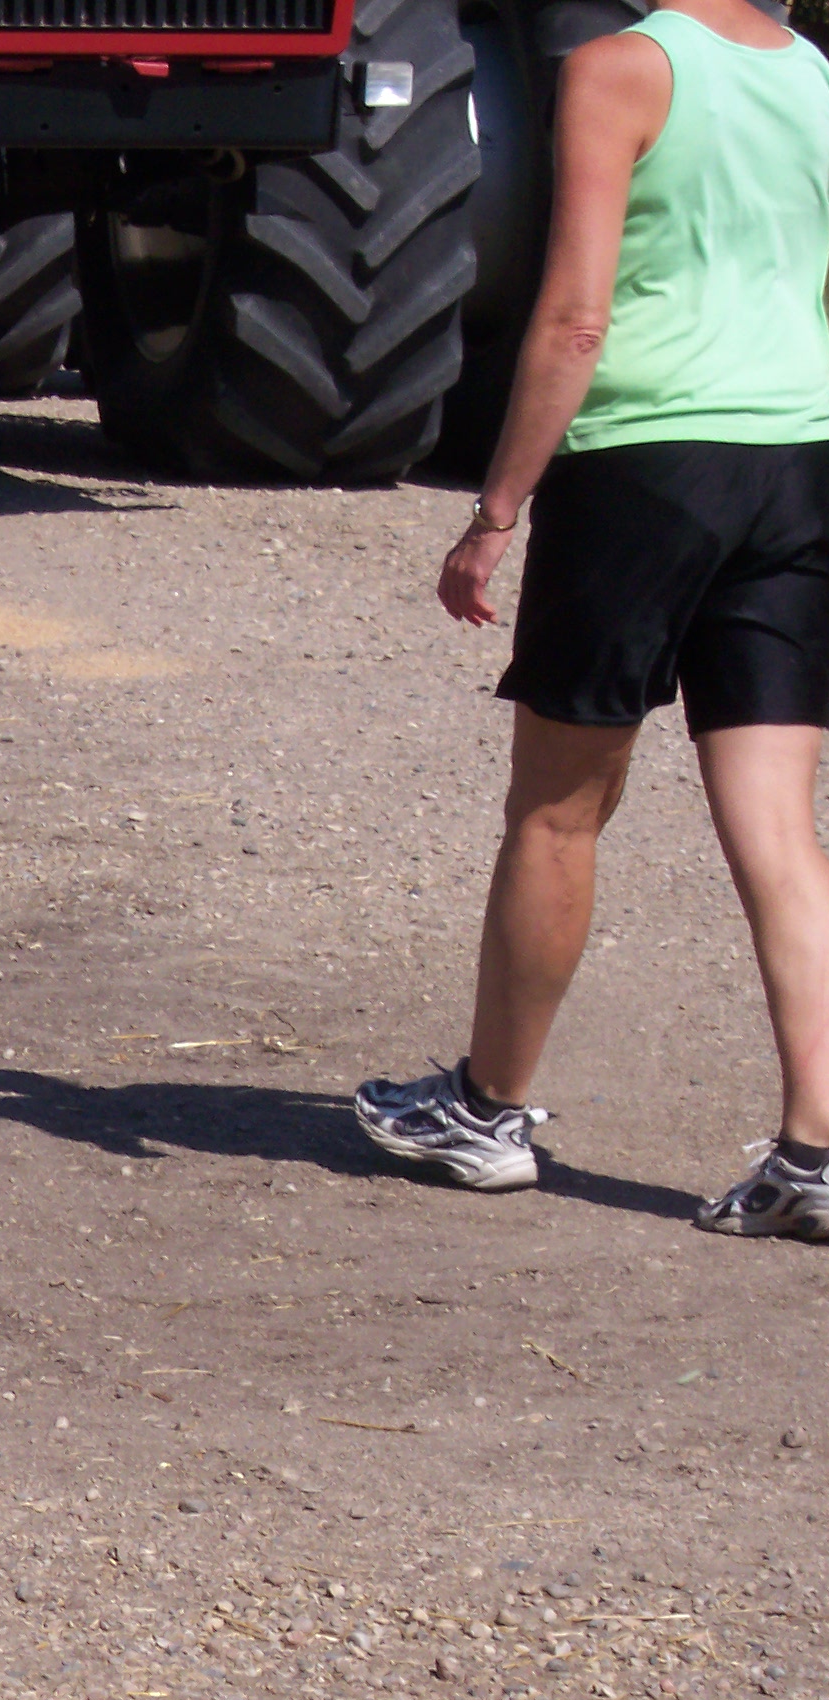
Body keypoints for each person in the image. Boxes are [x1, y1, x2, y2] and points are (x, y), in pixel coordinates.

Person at [355, 0, 829, 1232]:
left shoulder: (621, 67)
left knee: (559, 808)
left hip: (646, 465)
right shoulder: (814, 75)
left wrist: (496, 509)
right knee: (782, 828)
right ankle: (817, 1153)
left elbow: (576, 313)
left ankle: (486, 1111)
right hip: (797, 460)